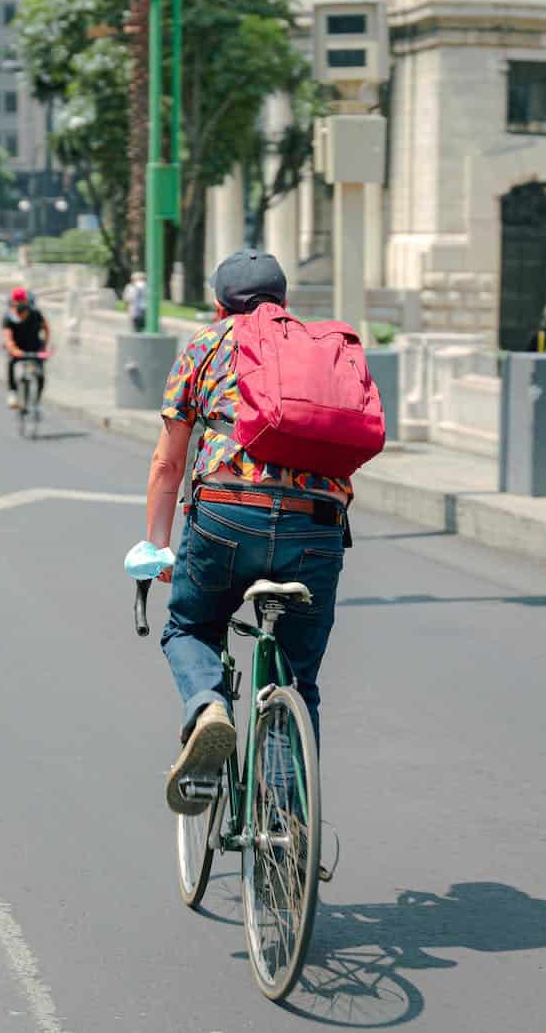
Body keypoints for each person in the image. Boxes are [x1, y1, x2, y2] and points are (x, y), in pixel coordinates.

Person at [145, 249, 352, 815]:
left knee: (188, 626)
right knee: (299, 678)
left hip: (227, 515)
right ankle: (288, 821)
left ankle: (208, 705)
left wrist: (157, 545)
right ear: (285, 303)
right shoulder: (318, 348)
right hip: (317, 524)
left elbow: (168, 463)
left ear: (217, 306)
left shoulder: (207, 345)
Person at [0, 287, 49, 408]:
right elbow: (7, 337)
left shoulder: (36, 315)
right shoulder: (8, 318)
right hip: (17, 348)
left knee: (40, 374)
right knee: (11, 363)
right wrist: (13, 349)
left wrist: (44, 347)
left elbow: (46, 329)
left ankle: (37, 401)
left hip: (34, 347)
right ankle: (13, 392)